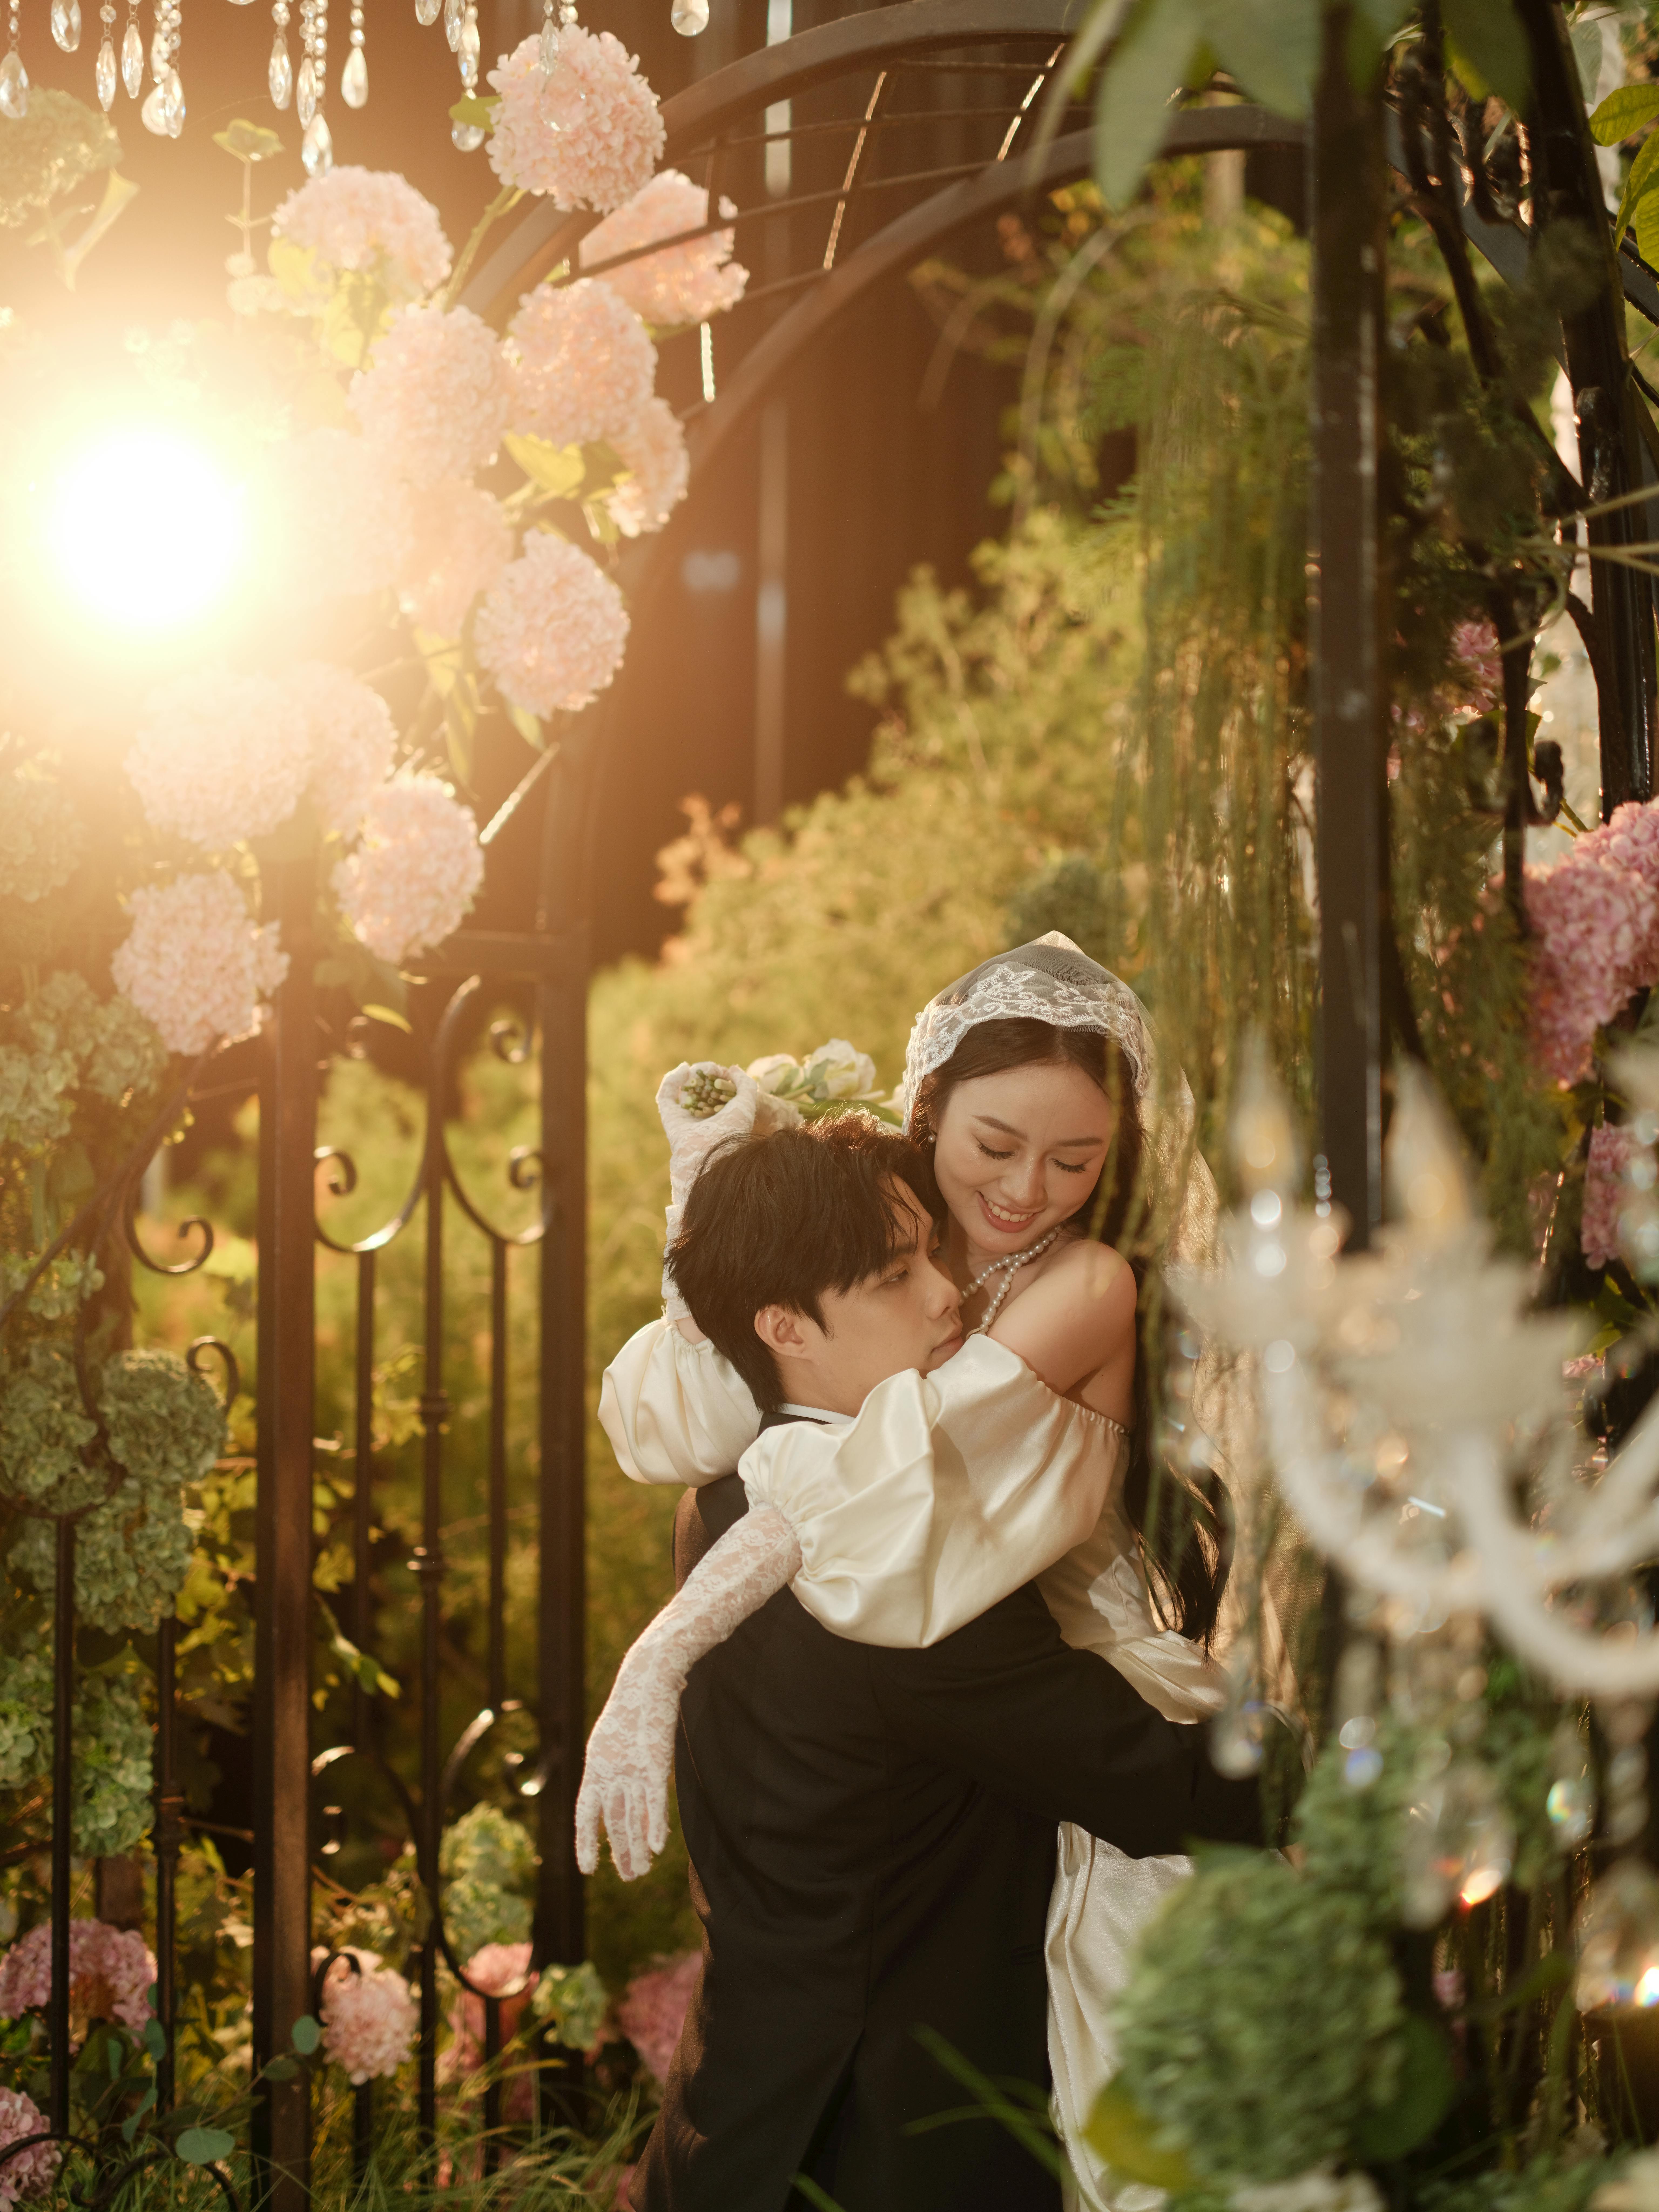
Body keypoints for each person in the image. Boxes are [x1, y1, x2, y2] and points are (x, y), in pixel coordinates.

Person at [586, 937, 1255, 2210]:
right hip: (978, 1686)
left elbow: (868, 1476)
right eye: (996, 1145)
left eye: (1076, 1161)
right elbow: (743, 1413)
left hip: (1040, 1663)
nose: (1025, 1190)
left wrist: (663, 1647)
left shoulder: (1074, 1283)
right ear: (929, 1105)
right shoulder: (852, 1270)